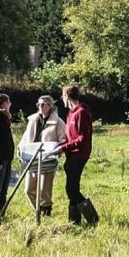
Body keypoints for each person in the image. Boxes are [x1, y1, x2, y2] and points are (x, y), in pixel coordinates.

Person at [50, 84, 97, 225]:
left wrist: (63, 148)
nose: (62, 99)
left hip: (79, 155)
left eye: (63, 96)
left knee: (71, 189)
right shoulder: (71, 113)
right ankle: (74, 221)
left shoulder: (82, 112)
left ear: (66, 96)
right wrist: (60, 146)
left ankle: (92, 218)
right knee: (72, 189)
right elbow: (70, 137)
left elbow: (82, 139)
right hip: (71, 155)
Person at [21, 95, 65, 217]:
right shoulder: (32, 120)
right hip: (32, 158)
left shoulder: (58, 122)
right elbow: (25, 138)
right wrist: (20, 149)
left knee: (44, 192)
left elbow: (63, 140)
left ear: (50, 106)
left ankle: (45, 215)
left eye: (43, 104)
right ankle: (38, 211)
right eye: (38, 104)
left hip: (47, 160)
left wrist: (56, 151)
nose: (40, 107)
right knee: (28, 190)